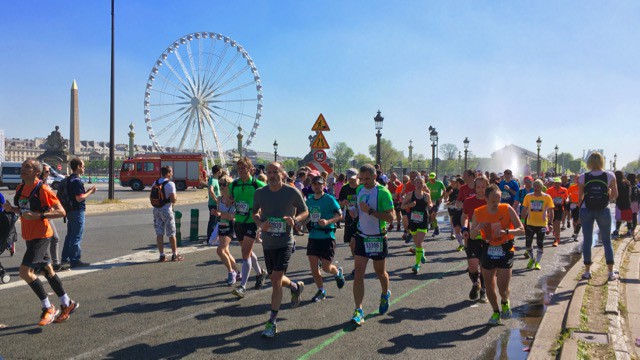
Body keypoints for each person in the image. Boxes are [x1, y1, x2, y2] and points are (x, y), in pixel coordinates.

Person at [2, 158, 79, 325]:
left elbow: (62, 212)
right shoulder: (20, 187)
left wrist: (39, 215)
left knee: (25, 272)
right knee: (47, 271)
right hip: (29, 235)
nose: (23, 169)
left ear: (36, 172)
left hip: (42, 235)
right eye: (22, 166)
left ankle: (47, 307)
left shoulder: (43, 189)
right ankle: (67, 303)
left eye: (27, 167)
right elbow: (23, 211)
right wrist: (11, 209)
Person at [253, 162, 309, 338]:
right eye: (269, 172)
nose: (272, 175)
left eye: (275, 172)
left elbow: (305, 211)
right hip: (268, 243)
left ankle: (272, 321)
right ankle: (294, 286)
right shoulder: (260, 193)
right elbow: (254, 213)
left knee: (275, 279)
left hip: (285, 241)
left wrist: (295, 220)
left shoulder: (291, 191)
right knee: (274, 277)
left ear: (282, 173)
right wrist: (261, 224)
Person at [470, 184, 525, 325]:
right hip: (488, 248)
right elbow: (471, 235)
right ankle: (495, 312)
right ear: (486, 199)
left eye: (499, 200)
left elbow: (521, 230)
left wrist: (507, 232)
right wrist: (478, 227)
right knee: (488, 284)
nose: (497, 203)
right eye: (494, 201)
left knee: (503, 287)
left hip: (505, 248)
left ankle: (505, 301)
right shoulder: (478, 212)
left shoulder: (507, 208)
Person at [348, 164, 394, 326]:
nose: (364, 182)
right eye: (361, 178)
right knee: (358, 273)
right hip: (362, 236)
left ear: (375, 177)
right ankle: (358, 310)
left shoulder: (383, 192)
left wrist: (370, 211)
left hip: (378, 238)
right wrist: (354, 211)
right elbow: (359, 209)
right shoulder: (360, 190)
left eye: (367, 179)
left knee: (380, 272)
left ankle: (384, 294)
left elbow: (390, 218)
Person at [229, 157, 268, 298]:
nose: (240, 171)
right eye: (238, 168)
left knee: (245, 253)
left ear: (250, 169)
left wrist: (263, 218)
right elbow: (229, 199)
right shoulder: (234, 185)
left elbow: (267, 202)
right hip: (238, 221)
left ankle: (242, 286)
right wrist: (226, 197)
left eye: (243, 168)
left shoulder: (258, 185)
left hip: (252, 221)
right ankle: (260, 273)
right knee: (248, 252)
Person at [304, 175, 345, 302]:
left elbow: (340, 215)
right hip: (314, 236)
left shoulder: (329, 199)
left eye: (319, 184)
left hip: (327, 237)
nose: (316, 186)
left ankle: (337, 272)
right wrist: (298, 223)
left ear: (324, 185)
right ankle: (321, 290)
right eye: (314, 184)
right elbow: (307, 216)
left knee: (326, 267)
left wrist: (328, 221)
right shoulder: (309, 200)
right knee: (314, 267)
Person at [579, 152, 618, 281]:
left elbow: (580, 197)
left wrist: (578, 213)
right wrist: (609, 191)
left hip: (586, 208)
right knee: (607, 241)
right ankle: (611, 272)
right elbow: (614, 196)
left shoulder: (583, 177)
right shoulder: (610, 175)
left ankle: (587, 271)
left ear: (589, 162)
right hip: (603, 209)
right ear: (602, 161)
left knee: (587, 240)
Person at [62, 157, 96, 268]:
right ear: (78, 167)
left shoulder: (69, 179)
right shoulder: (76, 181)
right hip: (77, 210)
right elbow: (79, 198)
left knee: (70, 235)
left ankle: (65, 258)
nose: (84, 168)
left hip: (69, 210)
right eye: (83, 166)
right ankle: (75, 260)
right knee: (76, 236)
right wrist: (90, 192)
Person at [462, 176, 489, 303]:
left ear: (487, 187)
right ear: (475, 187)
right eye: (478, 187)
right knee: (472, 266)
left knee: (484, 265)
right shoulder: (469, 201)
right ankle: (475, 283)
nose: (480, 190)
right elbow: (465, 216)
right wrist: (464, 228)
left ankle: (484, 290)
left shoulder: (491, 201)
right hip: (473, 236)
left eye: (483, 187)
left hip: (488, 238)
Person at [211, 175, 240, 286]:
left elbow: (234, 215)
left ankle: (231, 272)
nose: (221, 187)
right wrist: (215, 212)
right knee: (226, 252)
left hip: (230, 226)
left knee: (220, 250)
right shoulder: (219, 199)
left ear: (230, 186)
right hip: (222, 225)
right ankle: (237, 272)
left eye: (224, 184)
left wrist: (221, 214)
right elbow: (219, 213)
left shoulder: (234, 199)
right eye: (220, 184)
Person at [520, 179, 554, 270]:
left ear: (542, 187)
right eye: (534, 186)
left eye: (538, 186)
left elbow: (551, 211)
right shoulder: (528, 196)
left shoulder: (547, 197)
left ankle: (538, 263)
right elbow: (524, 210)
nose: (536, 188)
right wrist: (522, 223)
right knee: (528, 244)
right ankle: (532, 258)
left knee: (540, 243)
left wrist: (550, 224)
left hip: (542, 224)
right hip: (530, 223)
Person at [152, 166, 184, 262]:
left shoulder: (155, 182)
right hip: (166, 209)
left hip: (156, 209)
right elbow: (173, 199)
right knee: (171, 233)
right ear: (168, 173)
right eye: (171, 172)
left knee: (159, 233)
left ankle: (162, 255)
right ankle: (175, 254)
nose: (172, 173)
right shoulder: (170, 184)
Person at [39, 164, 67, 271]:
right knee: (52, 238)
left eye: (49, 171)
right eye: (46, 171)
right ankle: (51, 263)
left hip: (46, 214)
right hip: (43, 215)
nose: (48, 173)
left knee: (50, 239)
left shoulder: (44, 184)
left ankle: (48, 263)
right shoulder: (40, 185)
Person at [401, 176, 431, 273]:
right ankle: (422, 252)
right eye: (417, 183)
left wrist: (430, 205)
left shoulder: (426, 195)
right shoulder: (410, 195)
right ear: (414, 184)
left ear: (423, 184)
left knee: (418, 243)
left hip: (423, 221)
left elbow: (430, 204)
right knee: (417, 243)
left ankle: (417, 265)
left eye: (420, 183)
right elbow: (402, 206)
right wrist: (409, 205)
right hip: (413, 221)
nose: (419, 184)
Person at [338, 168, 360, 268]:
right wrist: (343, 202)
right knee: (352, 243)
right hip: (350, 218)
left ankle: (360, 263)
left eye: (353, 179)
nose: (351, 180)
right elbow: (339, 202)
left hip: (362, 218)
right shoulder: (345, 188)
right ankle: (357, 265)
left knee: (360, 243)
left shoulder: (362, 188)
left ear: (358, 177)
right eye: (349, 178)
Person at [545, 178, 568, 247]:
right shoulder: (549, 190)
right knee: (553, 223)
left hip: (560, 209)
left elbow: (566, 197)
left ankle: (557, 239)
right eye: (556, 183)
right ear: (554, 183)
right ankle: (552, 230)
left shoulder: (564, 190)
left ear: (561, 183)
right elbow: (546, 199)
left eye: (558, 183)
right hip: (551, 209)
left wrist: (567, 200)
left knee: (557, 223)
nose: (557, 184)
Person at [446, 177, 465, 251]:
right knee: (456, 228)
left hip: (464, 212)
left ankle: (467, 245)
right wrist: (450, 203)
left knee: (465, 229)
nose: (452, 184)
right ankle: (461, 244)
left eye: (455, 183)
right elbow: (456, 200)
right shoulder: (453, 189)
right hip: (456, 211)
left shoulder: (464, 190)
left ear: (458, 183)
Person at [612, 170, 632, 238]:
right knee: (628, 218)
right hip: (627, 202)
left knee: (619, 218)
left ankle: (617, 230)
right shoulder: (627, 182)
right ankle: (629, 231)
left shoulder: (616, 183)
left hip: (619, 202)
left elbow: (615, 194)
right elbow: (630, 193)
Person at [206, 165, 222, 244]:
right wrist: (215, 199)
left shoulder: (215, 179)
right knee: (213, 221)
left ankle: (212, 238)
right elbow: (211, 190)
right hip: (213, 204)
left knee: (215, 221)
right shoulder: (213, 180)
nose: (221, 172)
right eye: (220, 171)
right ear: (218, 171)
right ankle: (210, 239)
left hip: (215, 203)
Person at [567, 175, 582, 241]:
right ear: (575, 180)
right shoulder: (572, 187)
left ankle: (576, 233)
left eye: (579, 179)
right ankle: (574, 231)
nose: (578, 181)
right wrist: (567, 199)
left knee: (580, 219)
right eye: (577, 179)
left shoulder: (584, 187)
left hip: (581, 205)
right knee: (574, 219)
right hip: (573, 204)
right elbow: (567, 195)